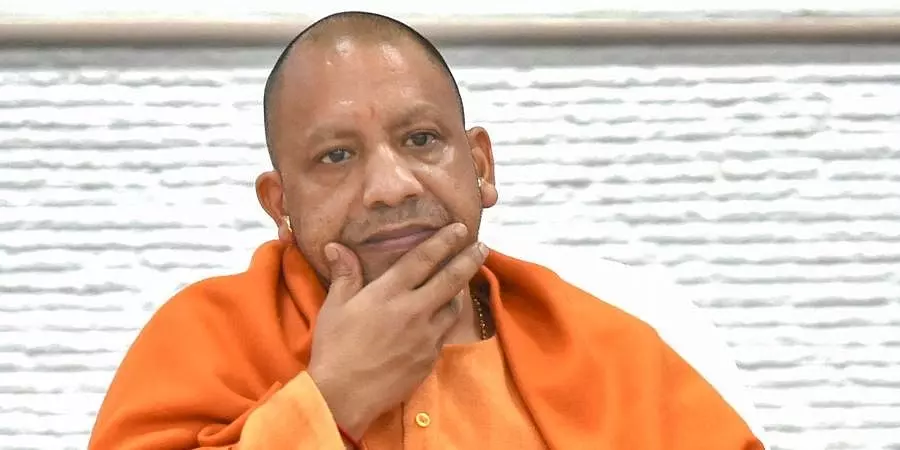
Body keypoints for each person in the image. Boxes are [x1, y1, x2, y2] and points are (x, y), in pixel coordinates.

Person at [88, 11, 765, 450]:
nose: (392, 186)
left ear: (480, 167)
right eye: (336, 155)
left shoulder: (608, 352)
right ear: (280, 203)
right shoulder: (206, 337)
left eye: (420, 139)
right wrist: (333, 399)